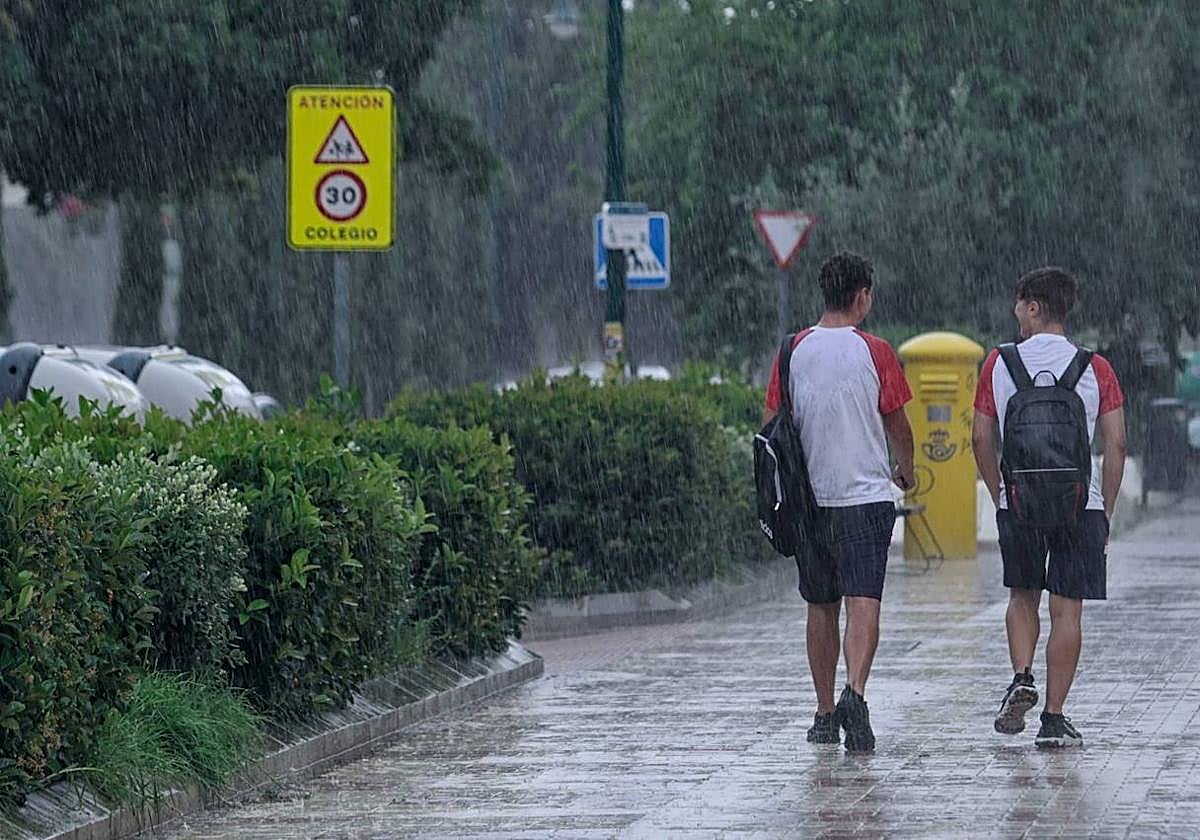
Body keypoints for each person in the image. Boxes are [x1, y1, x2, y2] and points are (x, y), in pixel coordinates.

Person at [762, 251, 915, 753]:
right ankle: (856, 692)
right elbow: (898, 424)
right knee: (863, 602)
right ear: (863, 296)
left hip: (810, 503)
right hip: (865, 499)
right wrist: (905, 470)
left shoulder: (792, 350)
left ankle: (825, 713)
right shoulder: (876, 351)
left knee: (820, 606)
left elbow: (775, 422)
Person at [972, 266, 1126, 748]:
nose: (1015, 313)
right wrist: (1107, 511)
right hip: (1080, 503)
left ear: (1034, 306)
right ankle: (1054, 718)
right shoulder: (1095, 367)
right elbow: (1116, 444)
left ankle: (1021, 675)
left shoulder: (999, 363)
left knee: (1022, 596)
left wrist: (1001, 491)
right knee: (1067, 611)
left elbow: (980, 436)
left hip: (1018, 499)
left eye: (1019, 304)